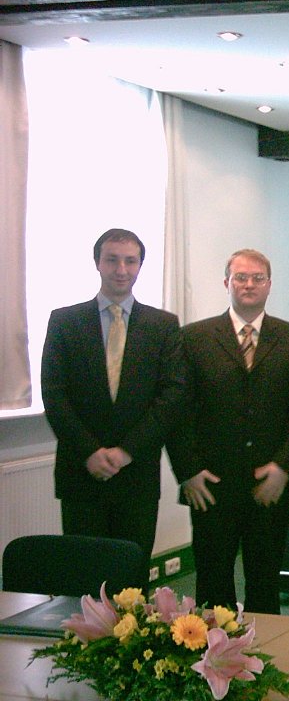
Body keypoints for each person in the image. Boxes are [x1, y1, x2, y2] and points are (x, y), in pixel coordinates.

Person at [169, 249, 289, 614]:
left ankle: (267, 661)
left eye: (257, 278)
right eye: (240, 277)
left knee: (265, 583)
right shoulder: (193, 338)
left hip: (271, 482)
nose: (248, 284)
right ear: (226, 283)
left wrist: (284, 466)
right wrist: (188, 471)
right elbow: (179, 412)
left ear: (269, 285)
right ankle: (213, 664)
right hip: (210, 484)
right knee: (212, 585)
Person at [40, 228, 185, 568]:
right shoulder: (65, 322)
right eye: (112, 259)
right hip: (81, 472)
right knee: (81, 578)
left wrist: (126, 451)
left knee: (131, 580)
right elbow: (54, 393)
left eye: (130, 261)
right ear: (97, 263)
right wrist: (90, 451)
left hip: (138, 475)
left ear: (139, 266)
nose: (121, 269)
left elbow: (172, 396)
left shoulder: (163, 325)